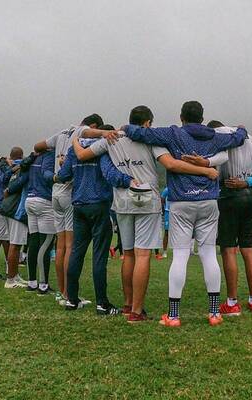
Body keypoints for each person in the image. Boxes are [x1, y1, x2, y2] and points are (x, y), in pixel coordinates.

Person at [71, 106, 222, 323]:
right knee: (143, 255)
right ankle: (137, 310)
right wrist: (205, 170)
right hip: (147, 200)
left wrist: (75, 138)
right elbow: (171, 164)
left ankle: (127, 304)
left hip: (122, 201)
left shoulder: (112, 138)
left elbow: (82, 154)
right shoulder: (151, 140)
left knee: (128, 254)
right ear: (148, 123)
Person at [121, 100, 248, 327]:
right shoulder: (215, 136)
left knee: (180, 255)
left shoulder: (172, 134)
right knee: (209, 254)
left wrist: (125, 128)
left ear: (181, 117)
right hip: (208, 200)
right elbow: (238, 138)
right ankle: (214, 313)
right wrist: (242, 128)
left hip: (181, 202)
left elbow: (140, 133)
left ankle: (173, 315)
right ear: (202, 117)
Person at [186, 119, 252, 316]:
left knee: (229, 249)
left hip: (228, 196)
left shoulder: (216, 136)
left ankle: (232, 302)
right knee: (248, 249)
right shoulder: (249, 137)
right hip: (250, 196)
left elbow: (216, 167)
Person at [56, 134, 133, 314]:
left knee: (76, 253)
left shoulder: (73, 151)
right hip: (98, 206)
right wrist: (128, 180)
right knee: (99, 255)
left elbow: (64, 175)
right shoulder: (100, 149)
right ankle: (102, 303)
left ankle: (72, 300)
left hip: (79, 206)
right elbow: (109, 173)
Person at [33, 114, 106, 302]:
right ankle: (68, 294)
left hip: (55, 192)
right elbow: (90, 132)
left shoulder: (61, 133)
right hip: (70, 192)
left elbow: (38, 146)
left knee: (60, 245)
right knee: (70, 246)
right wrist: (110, 133)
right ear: (93, 125)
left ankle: (60, 291)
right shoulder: (81, 132)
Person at [23, 151, 56, 295]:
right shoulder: (50, 157)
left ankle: (31, 282)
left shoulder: (33, 158)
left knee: (33, 242)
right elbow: (48, 177)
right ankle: (43, 285)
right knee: (46, 244)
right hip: (44, 201)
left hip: (29, 200)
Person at [0, 148, 30, 288]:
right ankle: (11, 280)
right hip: (15, 208)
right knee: (15, 244)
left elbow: (6, 179)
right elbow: (22, 181)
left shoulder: (11, 168)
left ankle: (15, 275)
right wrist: (10, 190)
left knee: (13, 243)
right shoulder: (24, 167)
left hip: (6, 207)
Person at [160, 187, 170, 259]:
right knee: (167, 232)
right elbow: (162, 199)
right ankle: (164, 251)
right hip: (168, 212)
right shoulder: (167, 189)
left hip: (177, 212)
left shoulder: (179, 187)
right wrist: (163, 209)